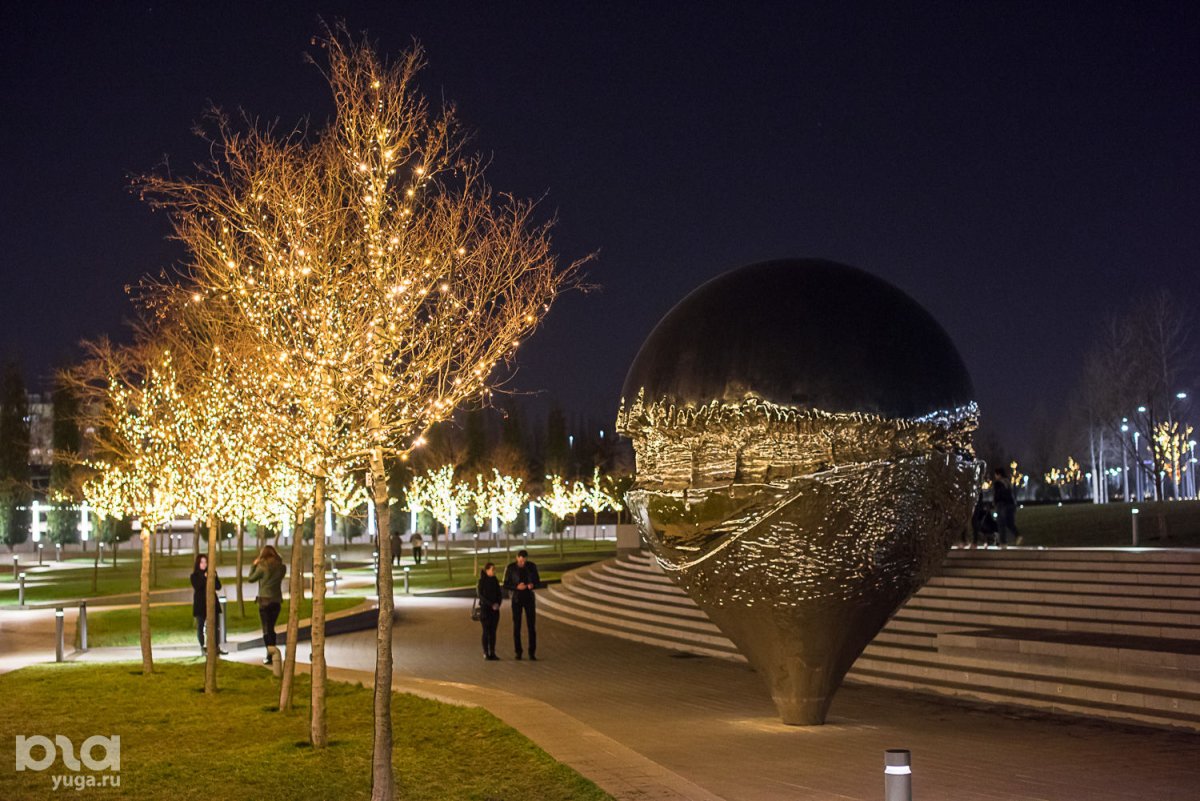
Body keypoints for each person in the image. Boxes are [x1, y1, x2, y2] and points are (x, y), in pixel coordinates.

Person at [246, 544, 286, 665]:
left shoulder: (263, 566)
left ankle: (270, 654)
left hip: (265, 601)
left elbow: (251, 578)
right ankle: (272, 652)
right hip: (276, 600)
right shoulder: (281, 567)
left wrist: (254, 565)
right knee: (271, 627)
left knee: (266, 629)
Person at [503, 549, 541, 660]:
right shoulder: (511, 568)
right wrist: (516, 587)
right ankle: (518, 651)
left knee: (531, 626)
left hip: (529, 598)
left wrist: (532, 585)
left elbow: (538, 581)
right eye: (520, 561)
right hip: (517, 599)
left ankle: (532, 652)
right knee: (517, 626)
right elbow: (505, 584)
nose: (522, 563)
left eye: (524, 561)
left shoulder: (531, 566)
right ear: (517, 558)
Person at [190, 553, 226, 655]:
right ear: (198, 563)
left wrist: (214, 577)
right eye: (201, 562)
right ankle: (203, 647)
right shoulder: (194, 576)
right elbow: (198, 586)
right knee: (200, 627)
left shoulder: (212, 573)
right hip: (200, 604)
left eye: (206, 562)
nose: (204, 564)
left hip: (212, 603)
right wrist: (205, 577)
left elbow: (218, 586)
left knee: (215, 626)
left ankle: (216, 647)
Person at [477, 562, 503, 660]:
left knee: (493, 632)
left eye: (494, 569)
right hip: (485, 610)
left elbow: (499, 593)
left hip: (495, 610)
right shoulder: (482, 581)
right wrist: (491, 604)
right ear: (487, 570)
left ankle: (492, 652)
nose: (494, 571)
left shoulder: (495, 580)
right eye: (492, 569)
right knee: (486, 631)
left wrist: (498, 604)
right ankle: (485, 652)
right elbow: (481, 595)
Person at [992, 466, 1022, 547]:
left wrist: (994, 502)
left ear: (999, 474)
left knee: (1001, 523)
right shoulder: (1008, 482)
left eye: (995, 474)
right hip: (1011, 504)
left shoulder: (998, 483)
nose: (995, 476)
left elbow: (997, 495)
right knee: (1009, 523)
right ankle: (1017, 535)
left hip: (1001, 504)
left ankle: (1003, 542)